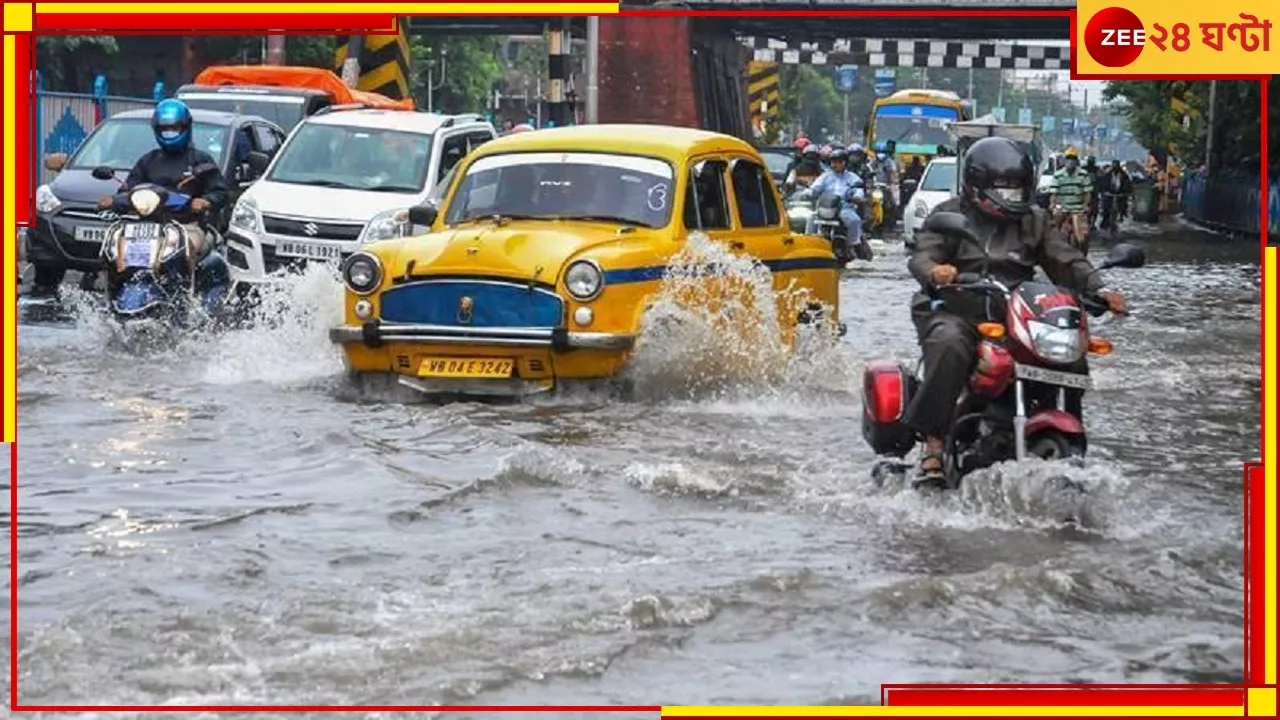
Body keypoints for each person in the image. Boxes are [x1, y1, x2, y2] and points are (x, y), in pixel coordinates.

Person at [904, 136, 1127, 482]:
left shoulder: (1033, 221)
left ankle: (1064, 426)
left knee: (1070, 350)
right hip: (956, 306)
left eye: (1018, 190)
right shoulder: (948, 215)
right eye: (1004, 191)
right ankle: (933, 442)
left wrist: (1100, 288)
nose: (1013, 198)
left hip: (1014, 311)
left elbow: (1064, 259)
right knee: (949, 344)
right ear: (976, 185)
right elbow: (923, 253)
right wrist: (935, 271)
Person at [96, 99, 229, 265]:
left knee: (185, 249)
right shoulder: (147, 161)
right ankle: (111, 285)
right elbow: (129, 189)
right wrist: (113, 201)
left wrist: (205, 202)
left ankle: (186, 289)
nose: (169, 132)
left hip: (187, 224)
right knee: (114, 249)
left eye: (174, 128)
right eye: (164, 129)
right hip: (146, 226)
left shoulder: (200, 160)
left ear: (185, 127)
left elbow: (221, 192)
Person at [800, 146, 865, 254]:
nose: (835, 165)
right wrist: (807, 194)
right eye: (833, 162)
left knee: (855, 220)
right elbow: (815, 188)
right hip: (825, 208)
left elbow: (859, 190)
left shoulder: (853, 178)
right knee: (810, 217)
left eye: (838, 162)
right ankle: (808, 243)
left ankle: (854, 244)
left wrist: (857, 197)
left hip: (844, 208)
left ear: (845, 163)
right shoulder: (825, 177)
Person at [1048, 147, 1092, 249]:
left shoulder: (1083, 174)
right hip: (1062, 208)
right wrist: (1053, 205)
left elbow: (1087, 193)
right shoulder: (1058, 175)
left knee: (1085, 234)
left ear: (1077, 161)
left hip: (1078, 208)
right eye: (1068, 158)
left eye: (1073, 159)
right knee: (1054, 230)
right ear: (1064, 160)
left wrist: (1085, 205)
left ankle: (1083, 251)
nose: (1070, 161)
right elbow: (1054, 193)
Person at [1099, 159, 1133, 229]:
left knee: (1122, 205)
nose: (1115, 168)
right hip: (1109, 195)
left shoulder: (1124, 175)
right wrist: (1104, 191)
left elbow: (1127, 185)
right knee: (1106, 208)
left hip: (1120, 195)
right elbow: (1103, 184)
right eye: (1114, 166)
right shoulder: (1108, 175)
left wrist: (1125, 192)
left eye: (1116, 166)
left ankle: (1122, 215)